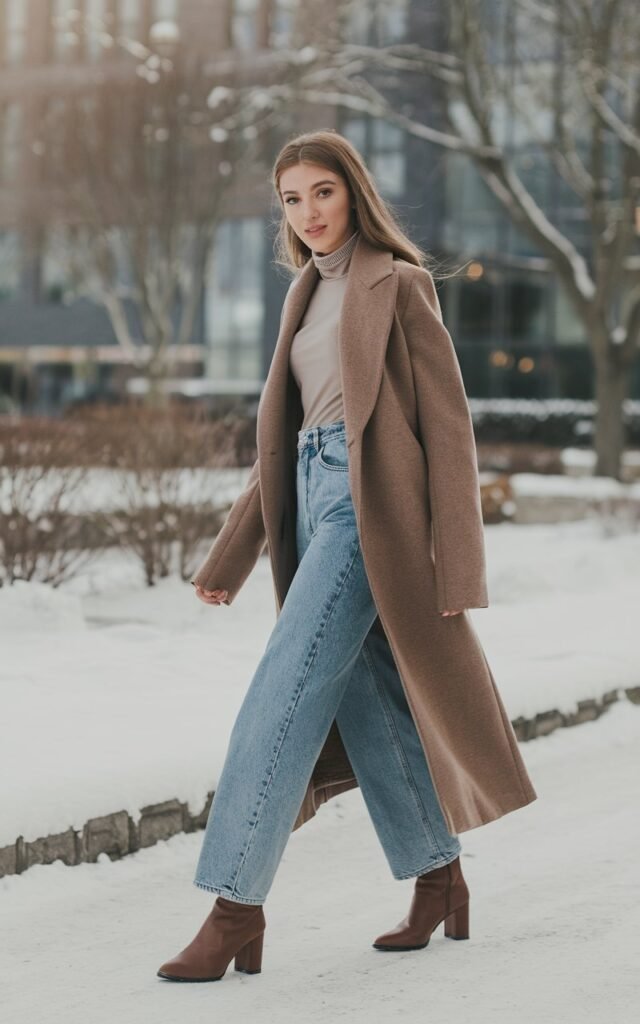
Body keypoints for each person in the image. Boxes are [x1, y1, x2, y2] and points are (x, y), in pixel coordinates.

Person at [157, 129, 537, 983]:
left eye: (321, 192)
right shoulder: (302, 293)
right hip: (311, 496)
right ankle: (440, 878)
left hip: (371, 517)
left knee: (283, 689)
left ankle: (234, 906)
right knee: (367, 700)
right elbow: (286, 441)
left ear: (353, 192)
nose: (308, 212)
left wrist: (459, 564)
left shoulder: (398, 284)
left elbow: (448, 430)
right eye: (292, 199)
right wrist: (230, 558)